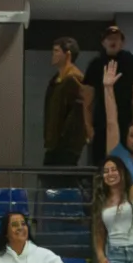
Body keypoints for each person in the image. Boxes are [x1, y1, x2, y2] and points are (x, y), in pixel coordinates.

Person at [80, 23, 133, 166]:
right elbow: (87, 99)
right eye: (109, 38)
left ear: (122, 42)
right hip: (100, 123)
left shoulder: (132, 65)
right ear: (103, 42)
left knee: (125, 163)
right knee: (100, 163)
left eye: (116, 38)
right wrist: (88, 126)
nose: (113, 41)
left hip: (125, 122)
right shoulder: (95, 65)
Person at [42, 36, 88, 166]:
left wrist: (66, 142)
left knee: (58, 181)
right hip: (56, 144)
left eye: (56, 51)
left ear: (67, 54)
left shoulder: (73, 79)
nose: (53, 55)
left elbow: (78, 116)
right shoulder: (57, 80)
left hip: (66, 147)